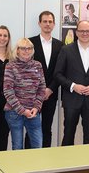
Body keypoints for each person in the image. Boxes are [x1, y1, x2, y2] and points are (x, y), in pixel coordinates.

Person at [54, 20, 89, 146]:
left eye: (88, 31)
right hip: (71, 100)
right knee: (68, 135)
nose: (85, 33)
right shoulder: (66, 50)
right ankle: (67, 163)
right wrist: (73, 86)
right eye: (81, 31)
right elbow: (57, 74)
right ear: (76, 32)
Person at [3, 38, 46, 150]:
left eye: (29, 48)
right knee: (17, 147)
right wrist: (22, 110)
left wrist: (36, 107)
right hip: (14, 112)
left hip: (33, 111)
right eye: (23, 48)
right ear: (17, 50)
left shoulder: (38, 65)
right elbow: (8, 91)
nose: (26, 51)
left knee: (38, 145)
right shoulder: (10, 66)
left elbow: (42, 88)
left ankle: (35, 168)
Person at [28, 11, 63, 147]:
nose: (47, 24)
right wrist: (38, 91)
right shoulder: (30, 42)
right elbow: (26, 68)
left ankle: (45, 158)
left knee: (47, 128)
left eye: (50, 22)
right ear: (39, 23)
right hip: (32, 95)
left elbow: (60, 71)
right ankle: (29, 157)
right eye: (44, 21)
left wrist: (50, 89)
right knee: (31, 128)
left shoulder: (60, 46)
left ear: (54, 24)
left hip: (51, 94)